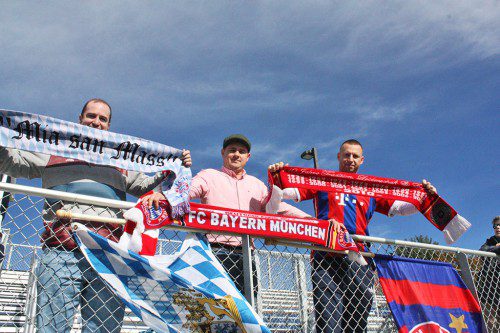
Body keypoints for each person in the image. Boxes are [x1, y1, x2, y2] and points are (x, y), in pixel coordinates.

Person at [0, 98, 191, 333]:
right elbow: (10, 163)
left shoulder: (122, 161)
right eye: (91, 116)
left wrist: (175, 165)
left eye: (103, 119)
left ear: (109, 126)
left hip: (108, 254)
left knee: (104, 329)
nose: (96, 122)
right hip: (62, 250)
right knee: (51, 328)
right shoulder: (51, 150)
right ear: (79, 119)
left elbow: (145, 184)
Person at [269, 139, 437, 333]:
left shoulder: (370, 188)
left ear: (362, 160)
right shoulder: (323, 180)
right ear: (338, 156)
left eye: (355, 156)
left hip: (360, 259)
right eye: (346, 155)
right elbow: (288, 192)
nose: (350, 159)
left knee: (357, 323)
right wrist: (278, 177)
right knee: (329, 322)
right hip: (327, 256)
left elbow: (400, 208)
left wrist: (424, 199)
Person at [143, 134, 308, 296]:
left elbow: (279, 207)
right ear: (223, 153)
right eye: (232, 150)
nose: (236, 154)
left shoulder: (257, 185)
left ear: (248, 157)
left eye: (241, 151)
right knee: (214, 305)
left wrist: (311, 221)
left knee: (248, 305)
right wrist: (165, 196)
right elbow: (187, 190)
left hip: (246, 254)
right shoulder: (208, 176)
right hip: (214, 251)